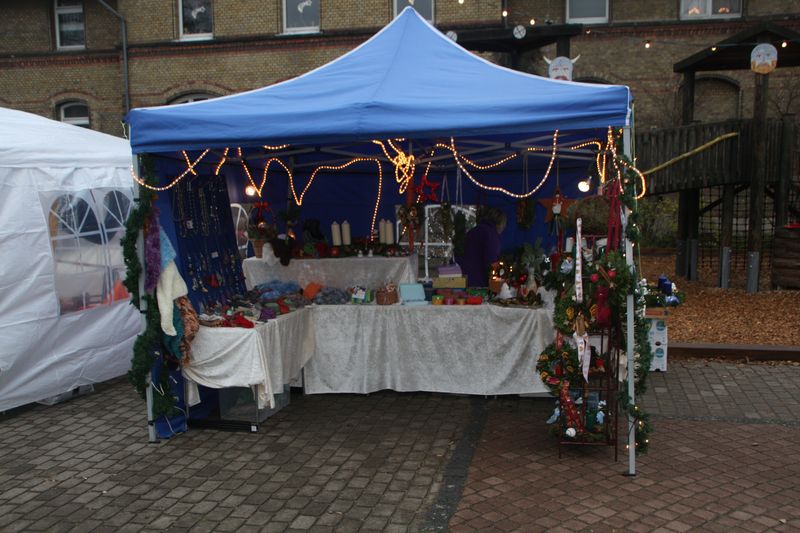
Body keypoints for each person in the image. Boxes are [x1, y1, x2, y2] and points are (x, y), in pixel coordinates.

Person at [459, 208, 507, 287]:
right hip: (476, 280)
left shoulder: (475, 230)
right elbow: (491, 262)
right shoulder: (492, 235)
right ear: (501, 224)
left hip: (463, 276)